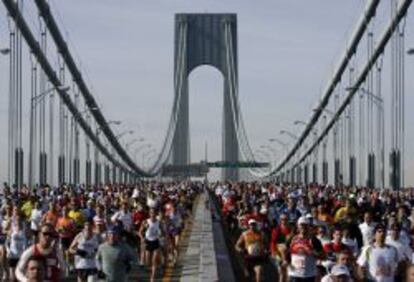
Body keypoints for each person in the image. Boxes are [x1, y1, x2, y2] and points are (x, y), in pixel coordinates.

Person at [286, 216, 324, 282]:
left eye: (305, 225)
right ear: (298, 226)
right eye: (301, 225)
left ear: (308, 226)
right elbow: (286, 251)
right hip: (294, 274)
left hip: (308, 275)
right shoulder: (292, 238)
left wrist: (312, 252)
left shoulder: (314, 240)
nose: (303, 227)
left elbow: (323, 256)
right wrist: (288, 263)